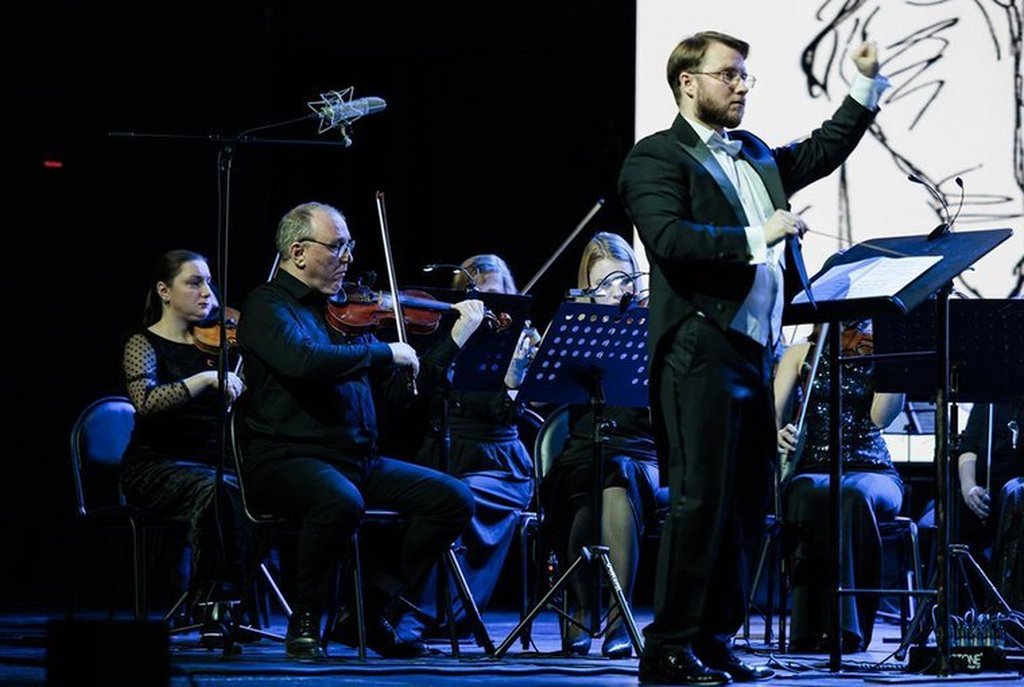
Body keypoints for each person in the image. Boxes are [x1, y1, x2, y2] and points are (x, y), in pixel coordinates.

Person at [618, 30, 888, 684]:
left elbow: (821, 149)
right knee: (700, 500)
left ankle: (713, 640)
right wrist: (755, 234)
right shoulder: (655, 157)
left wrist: (863, 85)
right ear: (688, 82)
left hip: (752, 353)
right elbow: (669, 239)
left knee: (744, 505)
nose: (741, 85)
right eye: (728, 74)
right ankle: (669, 645)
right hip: (697, 348)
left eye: (745, 76)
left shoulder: (756, 152)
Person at [236, 201, 475, 660]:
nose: (348, 257)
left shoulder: (348, 313)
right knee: (340, 500)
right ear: (298, 252)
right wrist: (385, 353)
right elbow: (304, 361)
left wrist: (451, 342)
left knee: (452, 499)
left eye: (350, 246)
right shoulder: (267, 305)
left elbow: (400, 396)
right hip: (286, 460)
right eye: (338, 246)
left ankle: (366, 611)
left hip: (356, 461)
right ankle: (306, 618)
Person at [541, 232, 666, 659]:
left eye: (623, 282)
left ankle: (615, 617)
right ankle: (582, 609)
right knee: (589, 486)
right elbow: (538, 397)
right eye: (603, 285)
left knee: (618, 476)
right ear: (587, 287)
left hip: (641, 452)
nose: (615, 294)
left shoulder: (652, 325)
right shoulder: (576, 326)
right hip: (583, 450)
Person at [119, 249, 250, 638]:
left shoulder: (221, 344)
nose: (207, 292)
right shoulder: (143, 343)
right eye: (194, 283)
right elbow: (145, 401)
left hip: (214, 466)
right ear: (164, 290)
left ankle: (231, 601)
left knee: (262, 491)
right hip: (155, 468)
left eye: (208, 282)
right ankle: (211, 603)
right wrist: (204, 380)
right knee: (218, 493)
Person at [405, 254, 537, 639]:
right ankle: (407, 609)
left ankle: (426, 615)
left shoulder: (517, 341)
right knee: (426, 499)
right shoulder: (446, 337)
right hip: (442, 452)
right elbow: (416, 395)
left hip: (501, 464)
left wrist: (515, 378)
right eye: (478, 297)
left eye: (496, 297)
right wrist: (454, 342)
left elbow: (504, 416)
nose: (488, 307)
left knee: (461, 495)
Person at [775, 320, 905, 652]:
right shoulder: (800, 352)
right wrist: (778, 432)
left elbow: (880, 418)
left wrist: (891, 361)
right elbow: (773, 416)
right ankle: (807, 631)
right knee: (807, 494)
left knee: (852, 495)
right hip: (813, 465)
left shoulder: (878, 352)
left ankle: (849, 628)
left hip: (872, 469)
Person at [956, 397, 1024, 610]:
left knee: (1015, 497)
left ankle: (1007, 611)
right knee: (950, 516)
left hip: (1015, 493)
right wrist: (968, 487)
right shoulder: (990, 396)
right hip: (985, 490)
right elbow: (968, 447)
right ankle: (962, 614)